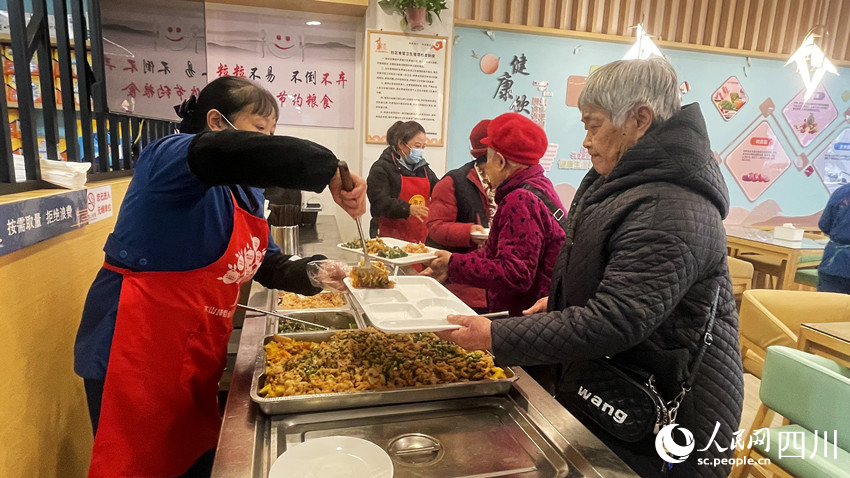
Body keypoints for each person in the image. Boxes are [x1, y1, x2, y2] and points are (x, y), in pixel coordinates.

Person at [435, 58, 743, 477]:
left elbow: (618, 318)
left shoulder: (669, 205)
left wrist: (493, 335)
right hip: (618, 387)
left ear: (639, 120)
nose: (586, 140)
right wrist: (562, 299)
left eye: (594, 125)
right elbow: (617, 276)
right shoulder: (622, 181)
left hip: (667, 412)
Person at [73, 76, 366, 478]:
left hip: (194, 352)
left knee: (194, 461)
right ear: (215, 122)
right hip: (137, 349)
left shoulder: (242, 192)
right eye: (259, 129)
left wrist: (312, 271)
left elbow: (262, 261)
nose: (267, 141)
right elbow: (223, 153)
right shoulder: (171, 157)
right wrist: (330, 169)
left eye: (272, 133)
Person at [423, 113, 566, 317]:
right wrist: (452, 264)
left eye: (487, 160)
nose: (485, 168)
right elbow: (497, 254)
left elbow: (515, 274)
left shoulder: (520, 199)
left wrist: (454, 264)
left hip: (527, 318)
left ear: (499, 161)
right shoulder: (540, 185)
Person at [425, 119, 496, 312]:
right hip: (463, 286)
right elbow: (436, 226)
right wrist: (469, 231)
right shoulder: (454, 181)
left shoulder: (515, 185)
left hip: (500, 285)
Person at [367, 120, 439, 242]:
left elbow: (439, 189)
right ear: (401, 144)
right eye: (417, 146)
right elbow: (379, 202)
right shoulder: (381, 168)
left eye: (423, 147)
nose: (420, 151)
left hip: (419, 235)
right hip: (389, 235)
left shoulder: (423, 169)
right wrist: (408, 208)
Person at [817, 182, 850, 293]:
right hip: (836, 263)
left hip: (834, 264)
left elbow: (824, 225)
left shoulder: (843, 191)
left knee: (828, 303)